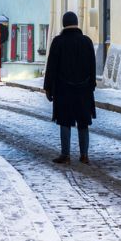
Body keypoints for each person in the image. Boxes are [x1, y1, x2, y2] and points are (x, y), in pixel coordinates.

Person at [43, 10, 97, 164]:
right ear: (76, 23)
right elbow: (92, 67)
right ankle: (84, 155)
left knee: (65, 121)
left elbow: (51, 67)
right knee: (83, 122)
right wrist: (91, 85)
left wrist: (48, 88)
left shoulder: (58, 42)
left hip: (63, 90)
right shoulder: (86, 42)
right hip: (84, 91)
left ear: (63, 24)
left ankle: (65, 155)